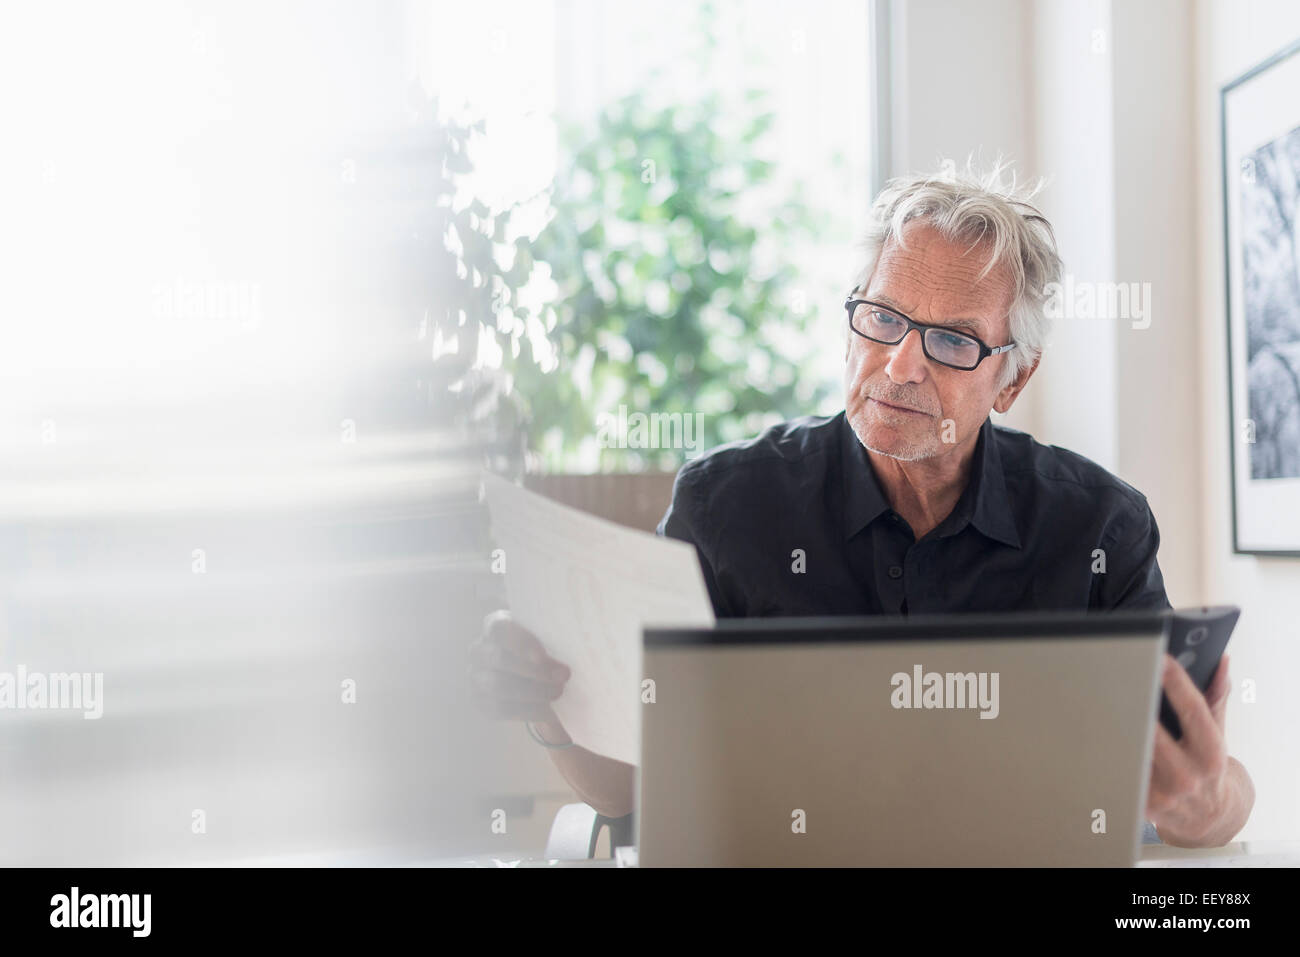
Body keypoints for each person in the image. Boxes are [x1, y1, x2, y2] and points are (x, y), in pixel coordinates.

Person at [470, 162, 1254, 850]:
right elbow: (623, 788)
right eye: (882, 318)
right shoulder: (727, 506)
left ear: (1011, 379)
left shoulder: (1097, 527)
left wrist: (1203, 795)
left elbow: (1200, 799)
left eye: (952, 341)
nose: (900, 363)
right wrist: (548, 705)